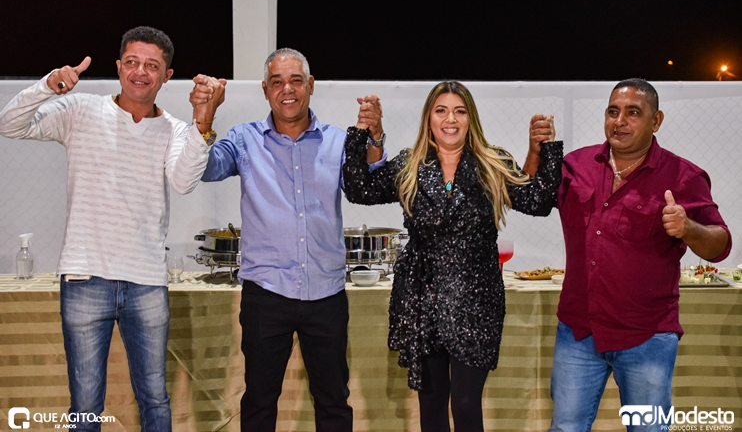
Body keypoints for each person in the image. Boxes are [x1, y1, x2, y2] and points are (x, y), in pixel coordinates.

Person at [0, 26, 225, 432]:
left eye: (152, 66)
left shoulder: (176, 129)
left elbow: (183, 181)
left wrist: (202, 122)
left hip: (146, 281)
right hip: (85, 276)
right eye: (133, 62)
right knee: (86, 404)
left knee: (154, 398)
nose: (140, 72)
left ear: (167, 76)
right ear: (119, 66)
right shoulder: (81, 110)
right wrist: (48, 86)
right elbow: (9, 124)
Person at [342, 81, 562, 432]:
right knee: (431, 406)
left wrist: (546, 147)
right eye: (441, 111)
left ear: (470, 118)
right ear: (429, 118)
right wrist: (366, 133)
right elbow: (359, 189)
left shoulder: (492, 162)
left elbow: (538, 202)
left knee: (465, 404)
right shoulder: (410, 164)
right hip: (422, 300)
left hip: (476, 302)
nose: (450, 119)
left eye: (459, 111)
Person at [199, 48, 385, 432]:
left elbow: (369, 184)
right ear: (265, 89)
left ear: (310, 85)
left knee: (334, 401)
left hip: (326, 294)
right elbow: (206, 168)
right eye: (277, 82)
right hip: (266, 294)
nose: (287, 90)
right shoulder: (245, 139)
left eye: (296, 81)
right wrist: (204, 120)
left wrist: (375, 138)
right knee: (259, 402)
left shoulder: (337, 140)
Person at [548, 79, 732, 432]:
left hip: (647, 336)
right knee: (566, 427)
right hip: (579, 331)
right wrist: (535, 152)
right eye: (613, 112)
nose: (620, 121)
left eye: (633, 113)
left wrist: (688, 228)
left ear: (656, 121)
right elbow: (532, 198)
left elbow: (720, 245)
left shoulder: (683, 176)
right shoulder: (576, 165)